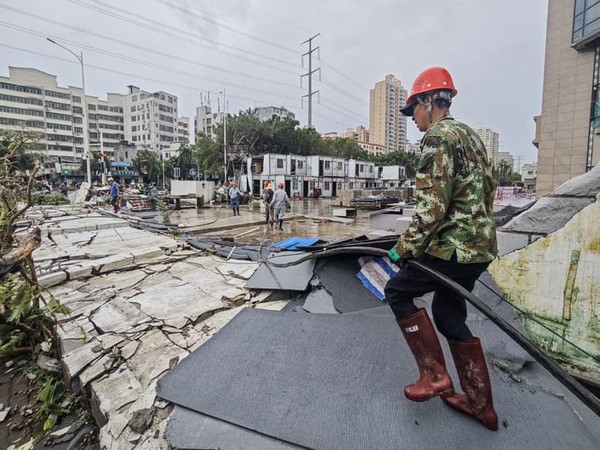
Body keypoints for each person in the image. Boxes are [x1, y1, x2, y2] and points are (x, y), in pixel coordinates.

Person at [384, 67, 499, 431]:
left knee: (397, 291)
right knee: (449, 316)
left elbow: (432, 207)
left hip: (452, 248)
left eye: (413, 111)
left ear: (427, 102)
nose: (413, 120)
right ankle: (482, 406)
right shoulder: (471, 137)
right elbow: (487, 192)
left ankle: (434, 375)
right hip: (479, 248)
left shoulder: (437, 138)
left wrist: (403, 249)